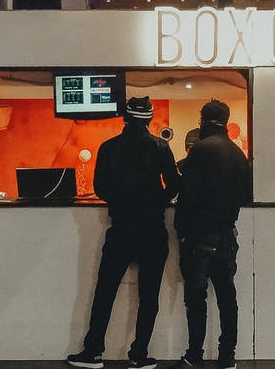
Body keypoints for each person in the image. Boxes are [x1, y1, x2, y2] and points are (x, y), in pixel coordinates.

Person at [68, 96, 179, 369]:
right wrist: (157, 201)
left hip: (121, 230)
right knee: (149, 295)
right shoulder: (160, 146)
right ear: (149, 119)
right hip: (152, 230)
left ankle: (93, 351)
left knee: (105, 291)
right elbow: (175, 184)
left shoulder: (109, 148)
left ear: (125, 118)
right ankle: (139, 355)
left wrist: (122, 201)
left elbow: (100, 188)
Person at [173, 99, 252, 369]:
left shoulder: (200, 151)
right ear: (227, 121)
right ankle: (227, 356)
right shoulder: (238, 153)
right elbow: (245, 194)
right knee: (227, 297)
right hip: (227, 235)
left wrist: (181, 231)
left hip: (199, 236)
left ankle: (194, 354)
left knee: (196, 298)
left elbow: (187, 195)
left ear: (202, 120)